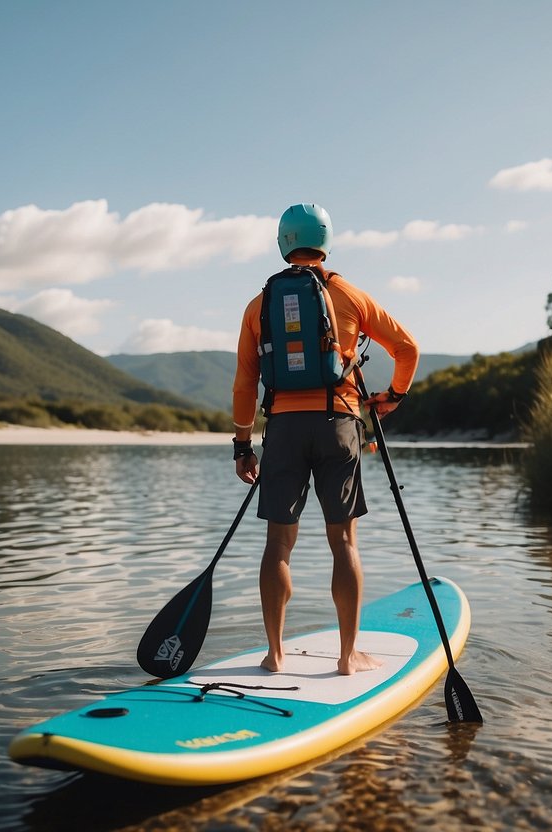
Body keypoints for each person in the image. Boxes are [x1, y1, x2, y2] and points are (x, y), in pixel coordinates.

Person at [232, 203, 418, 675]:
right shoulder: (350, 296)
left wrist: (242, 444)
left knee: (278, 544)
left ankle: (274, 654)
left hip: (284, 431)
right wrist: (392, 395)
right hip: (340, 424)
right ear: (326, 241)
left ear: (283, 243)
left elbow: (244, 383)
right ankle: (346, 657)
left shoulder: (259, 305)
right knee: (344, 542)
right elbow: (407, 348)